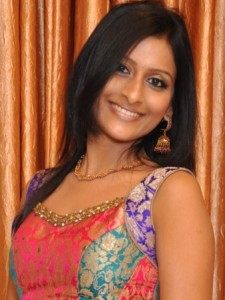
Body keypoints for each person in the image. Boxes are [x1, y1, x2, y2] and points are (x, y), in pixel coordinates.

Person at [7, 1, 214, 299]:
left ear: (169, 109)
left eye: (156, 82)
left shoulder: (170, 192)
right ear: (94, 69)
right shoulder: (39, 188)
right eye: (121, 68)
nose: (132, 94)